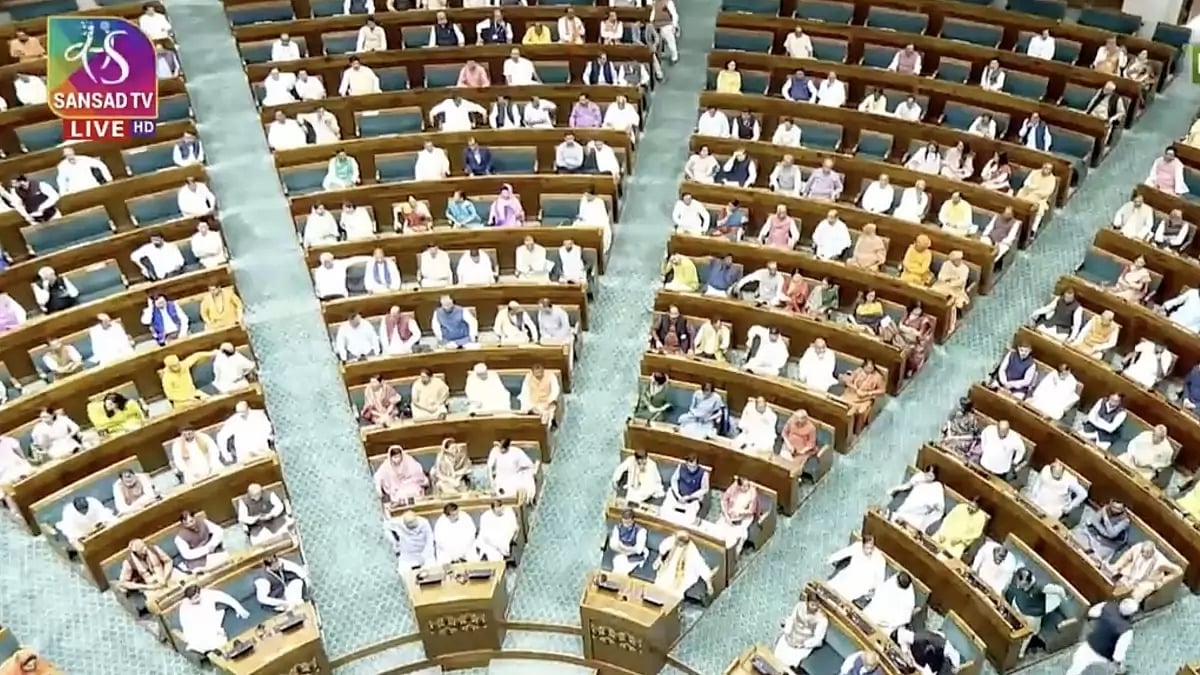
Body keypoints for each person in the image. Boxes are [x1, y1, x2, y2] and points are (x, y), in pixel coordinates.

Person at [1063, 599, 1138, 675]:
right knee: (1111, 670)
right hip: (1104, 655)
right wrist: (1118, 664)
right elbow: (1118, 655)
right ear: (1132, 614)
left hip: (1090, 645)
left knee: (1075, 668)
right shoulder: (1126, 630)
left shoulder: (1107, 606)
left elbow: (1092, 613)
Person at [1109, 541, 1181, 604]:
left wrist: (1162, 581)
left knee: (1135, 596)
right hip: (1131, 573)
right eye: (1142, 552)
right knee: (1116, 583)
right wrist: (1117, 565)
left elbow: (1178, 571)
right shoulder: (1138, 547)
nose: (1143, 555)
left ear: (1152, 553)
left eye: (1146, 554)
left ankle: (1127, 609)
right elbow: (1126, 556)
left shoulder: (1161, 561)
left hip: (1148, 581)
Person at [653, 530, 714, 598]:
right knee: (659, 584)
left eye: (679, 543)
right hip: (668, 568)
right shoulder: (673, 540)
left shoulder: (692, 551)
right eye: (676, 541)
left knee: (674, 593)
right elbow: (663, 548)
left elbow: (703, 569)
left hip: (684, 574)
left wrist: (709, 586)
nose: (677, 543)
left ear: (684, 543)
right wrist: (659, 558)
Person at [826, 535, 886, 602]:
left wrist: (872, 592)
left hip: (860, 584)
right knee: (832, 585)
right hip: (848, 574)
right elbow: (845, 552)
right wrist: (831, 559)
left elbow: (879, 580)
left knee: (844, 597)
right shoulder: (858, 546)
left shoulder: (880, 560)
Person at [773, 596, 827, 670]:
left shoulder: (822, 620)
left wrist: (804, 644)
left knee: (786, 666)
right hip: (789, 637)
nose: (815, 608)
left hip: (801, 646)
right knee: (775, 658)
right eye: (812, 605)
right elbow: (792, 618)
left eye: (816, 605)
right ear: (807, 602)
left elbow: (818, 640)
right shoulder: (800, 606)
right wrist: (787, 631)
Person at [889, 467, 945, 531]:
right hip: (909, 504)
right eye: (928, 472)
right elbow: (907, 485)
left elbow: (939, 505)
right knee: (899, 514)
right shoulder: (920, 478)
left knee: (914, 524)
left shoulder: (937, 486)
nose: (929, 475)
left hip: (920, 512)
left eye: (932, 473)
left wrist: (935, 505)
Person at [659, 455, 709, 525]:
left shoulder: (703, 473)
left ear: (697, 465)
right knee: (664, 513)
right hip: (677, 496)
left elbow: (705, 489)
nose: (691, 469)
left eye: (693, 467)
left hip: (692, 499)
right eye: (689, 466)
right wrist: (678, 495)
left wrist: (689, 497)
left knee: (688, 520)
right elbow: (674, 480)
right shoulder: (681, 467)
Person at [716, 477, 759, 549]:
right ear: (739, 486)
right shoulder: (734, 487)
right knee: (719, 530)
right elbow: (723, 500)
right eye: (744, 486)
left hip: (744, 516)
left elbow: (751, 510)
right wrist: (726, 515)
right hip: (730, 514)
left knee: (739, 535)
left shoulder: (752, 492)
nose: (746, 488)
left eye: (747, 485)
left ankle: (735, 551)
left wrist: (740, 512)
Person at [840, 360, 885, 429]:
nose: (869, 369)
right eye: (867, 367)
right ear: (864, 366)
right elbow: (848, 381)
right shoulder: (858, 371)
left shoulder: (878, 376)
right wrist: (855, 388)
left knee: (861, 411)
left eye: (871, 368)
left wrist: (869, 393)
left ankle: (858, 429)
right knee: (842, 405)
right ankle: (845, 426)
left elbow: (882, 390)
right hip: (853, 394)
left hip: (866, 398)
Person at [608, 509, 649, 575]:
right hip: (621, 553)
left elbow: (639, 550)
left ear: (632, 520)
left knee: (623, 569)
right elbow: (613, 544)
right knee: (618, 566)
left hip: (635, 555)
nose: (626, 525)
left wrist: (626, 549)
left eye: (628, 523)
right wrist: (623, 550)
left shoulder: (641, 531)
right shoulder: (617, 528)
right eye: (624, 522)